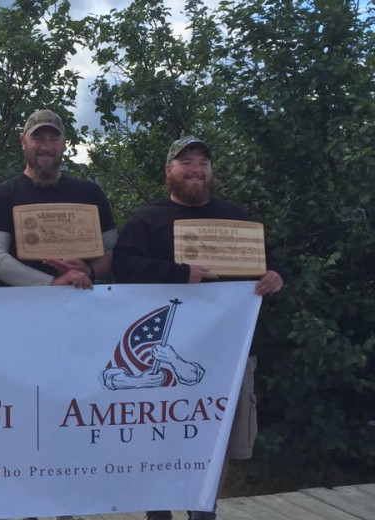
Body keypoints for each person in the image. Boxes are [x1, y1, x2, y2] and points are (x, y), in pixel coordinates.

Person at [112, 136, 284, 520]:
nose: (195, 169)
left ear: (212, 171)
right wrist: (179, 273)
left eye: (203, 162)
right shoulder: (146, 219)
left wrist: (276, 275)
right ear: (168, 172)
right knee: (158, 434)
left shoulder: (237, 218)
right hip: (163, 356)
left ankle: (204, 506)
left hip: (230, 351)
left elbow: (267, 264)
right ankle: (158, 509)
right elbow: (124, 266)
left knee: (217, 435)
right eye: (185, 161)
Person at [0, 109, 117, 288]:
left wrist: (90, 271)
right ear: (23, 142)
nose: (46, 147)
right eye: (38, 139)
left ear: (64, 144)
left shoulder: (90, 193)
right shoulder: (1, 195)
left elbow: (113, 251)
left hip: (81, 303)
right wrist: (52, 283)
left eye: (54, 139)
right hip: (20, 309)